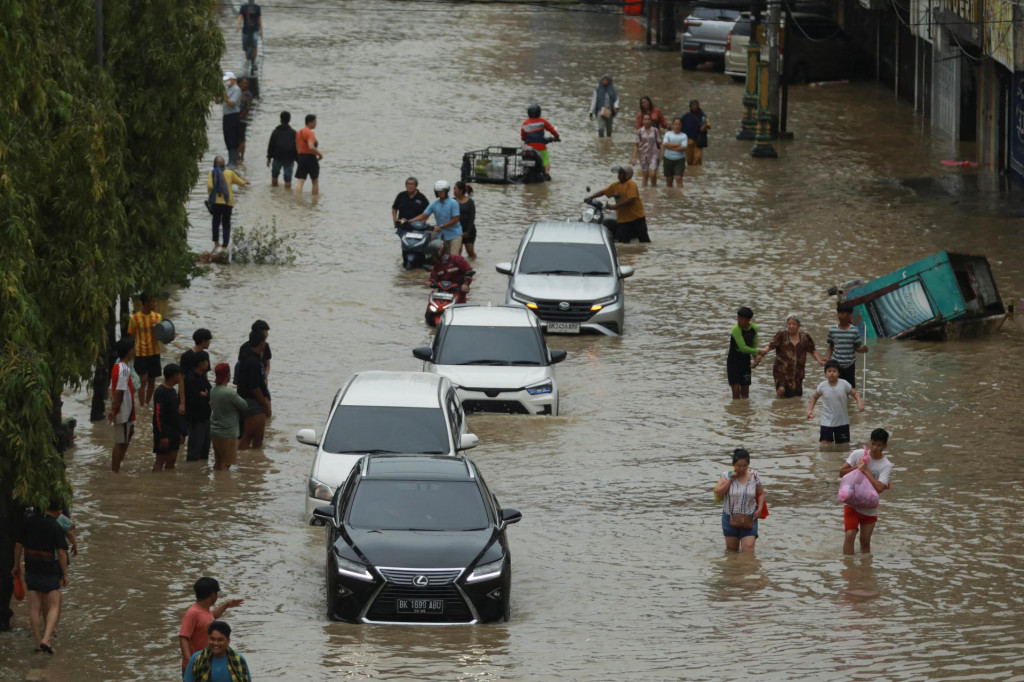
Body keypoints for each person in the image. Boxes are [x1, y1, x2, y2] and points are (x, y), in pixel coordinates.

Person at [12, 501, 69, 654]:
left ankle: (38, 644)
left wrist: (16, 565)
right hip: (49, 570)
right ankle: (46, 639)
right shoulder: (55, 526)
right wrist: (65, 574)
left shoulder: (28, 521)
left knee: (34, 608)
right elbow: (62, 553)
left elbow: (18, 545)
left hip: (31, 569)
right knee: (54, 606)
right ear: (57, 510)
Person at [839, 428, 893, 555]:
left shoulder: (886, 465)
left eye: (879, 445)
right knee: (850, 534)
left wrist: (865, 471)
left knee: (865, 542)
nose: (874, 448)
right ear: (870, 442)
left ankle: (865, 569)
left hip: (869, 507)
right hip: (851, 504)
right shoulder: (858, 454)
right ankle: (849, 567)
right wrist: (856, 468)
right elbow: (841, 473)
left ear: (885, 446)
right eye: (873, 444)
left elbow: (880, 488)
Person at [179, 577, 244, 675]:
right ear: (213, 594)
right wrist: (190, 663)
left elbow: (209, 619)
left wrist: (226, 605)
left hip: (206, 663)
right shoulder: (192, 613)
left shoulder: (204, 611)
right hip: (196, 666)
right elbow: (183, 637)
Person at [753, 314, 825, 398]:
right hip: (781, 370)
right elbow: (770, 346)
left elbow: (812, 350)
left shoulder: (805, 337)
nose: (791, 326)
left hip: (798, 372)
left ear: (799, 325)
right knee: (781, 390)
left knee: (795, 397)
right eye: (789, 324)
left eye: (794, 324)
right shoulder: (782, 336)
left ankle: (788, 408)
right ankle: (778, 405)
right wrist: (762, 353)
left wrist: (819, 360)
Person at [713, 449, 765, 553]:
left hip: (750, 517)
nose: (741, 468)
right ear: (733, 464)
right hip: (730, 518)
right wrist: (731, 480)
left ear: (748, 464)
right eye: (738, 466)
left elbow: (761, 493)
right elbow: (719, 493)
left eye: (744, 466)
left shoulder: (754, 476)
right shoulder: (726, 475)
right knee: (732, 551)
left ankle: (748, 569)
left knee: (748, 550)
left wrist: (759, 509)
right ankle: (735, 569)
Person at [585, 165, 650, 244]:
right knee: (623, 242)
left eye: (621, 173)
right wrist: (591, 197)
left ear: (627, 175)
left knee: (644, 241)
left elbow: (630, 200)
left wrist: (614, 206)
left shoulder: (631, 184)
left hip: (636, 217)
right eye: (618, 173)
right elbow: (604, 192)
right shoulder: (615, 185)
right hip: (623, 219)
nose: (618, 175)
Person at [808, 360, 865, 444]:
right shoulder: (822, 386)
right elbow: (814, 397)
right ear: (825, 373)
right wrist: (810, 410)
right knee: (825, 446)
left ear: (838, 373)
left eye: (834, 371)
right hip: (826, 422)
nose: (832, 373)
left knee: (844, 447)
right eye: (829, 371)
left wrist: (860, 403)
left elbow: (855, 394)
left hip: (843, 422)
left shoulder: (844, 384)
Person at [184, 620, 251, 682]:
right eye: (212, 639)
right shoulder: (197, 659)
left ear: (228, 641)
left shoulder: (239, 660)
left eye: (220, 640)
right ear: (208, 639)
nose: (216, 643)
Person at [207, 157, 250, 253]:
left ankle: (216, 244)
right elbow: (239, 182)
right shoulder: (230, 173)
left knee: (216, 223)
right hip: (228, 203)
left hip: (216, 203)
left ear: (214, 164)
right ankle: (225, 246)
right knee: (226, 224)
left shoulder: (212, 173)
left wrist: (211, 195)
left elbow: (210, 186)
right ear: (224, 164)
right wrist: (245, 182)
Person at [237, 330, 271, 450]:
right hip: (252, 402)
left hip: (253, 400)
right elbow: (254, 387)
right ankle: (242, 462)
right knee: (248, 435)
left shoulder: (251, 358)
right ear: (261, 344)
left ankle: (255, 463)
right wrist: (264, 402)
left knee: (258, 436)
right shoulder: (252, 362)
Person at [210, 363, 248, 471]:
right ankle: (224, 486)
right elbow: (244, 406)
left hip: (215, 432)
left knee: (218, 463)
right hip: (228, 434)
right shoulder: (230, 394)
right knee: (226, 464)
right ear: (228, 376)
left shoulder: (213, 391)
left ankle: (217, 484)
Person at [408, 180, 462, 255]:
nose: (440, 193)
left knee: (453, 257)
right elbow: (423, 216)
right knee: (442, 257)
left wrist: (442, 226)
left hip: (455, 234)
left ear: (446, 191)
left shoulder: (453, 203)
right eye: (438, 191)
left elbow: (456, 219)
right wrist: (408, 221)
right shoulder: (434, 204)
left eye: (442, 191)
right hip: (442, 235)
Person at [108, 337, 137, 472]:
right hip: (124, 411)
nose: (135, 351)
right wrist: (115, 409)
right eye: (133, 349)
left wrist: (113, 407)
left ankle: (117, 467)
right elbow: (118, 391)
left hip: (126, 410)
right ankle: (115, 471)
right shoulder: (124, 369)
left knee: (128, 435)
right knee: (120, 442)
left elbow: (111, 389)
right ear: (129, 351)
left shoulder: (117, 367)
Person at [127, 296, 161, 406]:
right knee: (143, 380)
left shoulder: (157, 316)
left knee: (152, 381)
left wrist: (170, 336)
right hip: (141, 353)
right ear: (146, 302)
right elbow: (131, 336)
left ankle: (146, 404)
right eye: (153, 301)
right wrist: (131, 352)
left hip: (155, 352)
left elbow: (162, 333)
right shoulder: (134, 318)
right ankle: (141, 405)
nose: (155, 303)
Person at [825, 301, 867, 388]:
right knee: (835, 387)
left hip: (849, 365)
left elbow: (857, 348)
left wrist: (863, 350)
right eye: (839, 313)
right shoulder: (832, 330)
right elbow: (831, 346)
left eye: (843, 313)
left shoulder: (854, 331)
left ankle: (848, 402)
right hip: (836, 365)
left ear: (849, 315)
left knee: (849, 388)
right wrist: (827, 359)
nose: (840, 315)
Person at [152, 363, 184, 472]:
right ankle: (157, 483)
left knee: (172, 461)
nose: (180, 377)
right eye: (179, 375)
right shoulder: (161, 392)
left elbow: (176, 413)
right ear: (174, 376)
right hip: (164, 433)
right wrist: (162, 436)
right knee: (160, 461)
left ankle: (168, 485)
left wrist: (180, 432)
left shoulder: (172, 390)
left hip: (174, 431)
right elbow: (158, 416)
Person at [184, 352, 213, 462]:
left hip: (205, 416)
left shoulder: (202, 377)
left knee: (204, 451)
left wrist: (205, 395)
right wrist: (203, 395)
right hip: (196, 418)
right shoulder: (190, 379)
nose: (208, 364)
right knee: (194, 451)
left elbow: (210, 392)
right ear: (200, 363)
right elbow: (194, 397)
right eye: (206, 361)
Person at [520, 104, 560, 177]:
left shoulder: (524, 124)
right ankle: (546, 174)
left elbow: (523, 138)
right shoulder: (542, 121)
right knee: (546, 161)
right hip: (541, 147)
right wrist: (557, 137)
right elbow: (552, 130)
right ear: (539, 112)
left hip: (529, 148)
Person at [727, 306, 758, 399]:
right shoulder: (736, 329)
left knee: (745, 393)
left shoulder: (754, 329)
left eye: (741, 319)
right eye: (738, 318)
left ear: (748, 320)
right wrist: (760, 351)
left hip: (745, 362)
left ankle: (744, 411)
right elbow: (743, 348)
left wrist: (756, 359)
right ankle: (736, 411)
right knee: (736, 391)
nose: (738, 320)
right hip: (733, 362)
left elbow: (753, 346)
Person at [266, 111, 298, 189]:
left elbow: (271, 145)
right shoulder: (293, 133)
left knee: (274, 175)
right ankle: (286, 198)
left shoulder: (275, 132)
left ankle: (274, 193)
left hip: (277, 157)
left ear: (280, 120)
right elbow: (297, 147)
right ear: (289, 120)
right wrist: (297, 159)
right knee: (288, 179)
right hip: (289, 158)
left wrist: (269, 158)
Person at [631, 113, 662, 187]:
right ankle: (645, 192)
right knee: (645, 175)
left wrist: (661, 154)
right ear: (642, 121)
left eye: (648, 119)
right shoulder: (639, 131)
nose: (647, 121)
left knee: (652, 173)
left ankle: (653, 188)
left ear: (651, 121)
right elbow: (636, 145)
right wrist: (634, 157)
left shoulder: (655, 130)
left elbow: (660, 143)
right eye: (645, 119)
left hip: (654, 154)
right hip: (643, 155)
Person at [294, 114, 323, 195]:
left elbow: (297, 147)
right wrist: (320, 154)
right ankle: (314, 203)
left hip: (301, 158)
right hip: (310, 158)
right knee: (315, 181)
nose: (316, 123)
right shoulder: (310, 133)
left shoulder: (299, 132)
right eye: (315, 121)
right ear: (310, 122)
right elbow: (311, 147)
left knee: (300, 181)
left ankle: (298, 201)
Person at [220, 73, 242, 168]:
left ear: (233, 79)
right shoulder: (226, 88)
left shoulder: (237, 89)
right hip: (226, 116)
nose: (226, 82)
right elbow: (218, 101)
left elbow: (231, 103)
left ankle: (234, 161)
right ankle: (230, 161)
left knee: (234, 138)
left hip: (233, 116)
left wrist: (223, 95)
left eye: (228, 80)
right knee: (227, 138)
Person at [680, 99, 710, 166]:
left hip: (699, 140)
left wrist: (704, 126)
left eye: (696, 104)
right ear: (690, 106)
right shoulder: (686, 116)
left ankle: (696, 173)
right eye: (693, 104)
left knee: (698, 158)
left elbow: (708, 124)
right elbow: (680, 125)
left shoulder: (703, 116)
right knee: (689, 159)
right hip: (689, 140)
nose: (695, 106)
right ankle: (691, 173)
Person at [661, 117, 688, 188]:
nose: (677, 126)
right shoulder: (668, 134)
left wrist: (670, 147)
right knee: (669, 179)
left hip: (680, 160)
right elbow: (665, 144)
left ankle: (680, 195)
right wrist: (679, 144)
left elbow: (684, 147)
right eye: (675, 124)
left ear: (681, 125)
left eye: (679, 124)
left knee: (678, 178)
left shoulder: (684, 135)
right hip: (668, 159)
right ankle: (670, 195)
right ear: (672, 125)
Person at [453, 181, 477, 259]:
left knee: (470, 251)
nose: (453, 191)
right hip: (456, 230)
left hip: (469, 230)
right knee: (458, 251)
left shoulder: (470, 202)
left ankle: (473, 264)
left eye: (455, 189)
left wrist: (468, 231)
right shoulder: (452, 201)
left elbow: (472, 217)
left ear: (461, 191)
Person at [236, 0, 262, 67]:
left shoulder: (257, 7)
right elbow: (240, 16)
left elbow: (259, 19)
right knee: (245, 48)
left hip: (255, 30)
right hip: (246, 30)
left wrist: (261, 30)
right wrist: (238, 24)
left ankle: (253, 62)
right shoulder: (243, 7)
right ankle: (248, 60)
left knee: (255, 46)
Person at [236, 78, 254, 164]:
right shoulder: (236, 92)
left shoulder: (248, 95)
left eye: (247, 84)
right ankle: (237, 156)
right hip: (234, 117)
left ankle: (241, 157)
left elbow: (247, 109)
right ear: (239, 84)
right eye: (244, 83)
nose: (245, 85)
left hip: (242, 119)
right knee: (234, 137)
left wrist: (239, 117)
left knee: (242, 139)